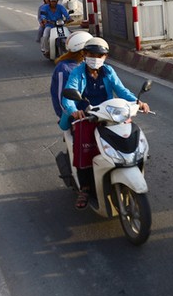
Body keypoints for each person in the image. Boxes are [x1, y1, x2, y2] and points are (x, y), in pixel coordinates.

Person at [60, 37, 150, 209]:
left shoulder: (108, 71)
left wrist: (137, 103)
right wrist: (74, 111)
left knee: (130, 134)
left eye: (99, 55)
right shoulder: (77, 73)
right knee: (84, 147)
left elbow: (121, 90)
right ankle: (85, 188)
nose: (95, 58)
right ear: (84, 54)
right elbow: (68, 97)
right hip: (86, 116)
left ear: (105, 57)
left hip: (110, 114)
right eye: (91, 54)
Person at [50, 31, 93, 119]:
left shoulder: (84, 64)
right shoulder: (64, 68)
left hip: (90, 113)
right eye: (91, 50)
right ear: (82, 52)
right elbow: (61, 97)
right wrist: (69, 116)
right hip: (74, 117)